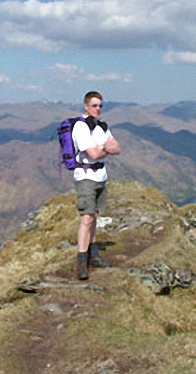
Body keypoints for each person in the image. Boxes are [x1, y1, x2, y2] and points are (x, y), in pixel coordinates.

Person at [72, 91, 121, 280]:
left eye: (100, 105)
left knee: (94, 216)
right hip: (86, 176)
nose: (98, 109)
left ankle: (93, 256)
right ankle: (81, 261)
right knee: (86, 218)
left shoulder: (102, 127)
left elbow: (117, 148)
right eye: (94, 105)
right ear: (86, 106)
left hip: (101, 176)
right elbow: (92, 154)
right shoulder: (81, 127)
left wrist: (103, 149)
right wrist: (105, 149)